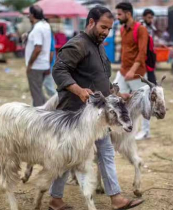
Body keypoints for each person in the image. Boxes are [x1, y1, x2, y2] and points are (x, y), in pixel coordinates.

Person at [50, 6, 144, 210]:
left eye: (109, 29)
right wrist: (78, 90)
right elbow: (58, 69)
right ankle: (55, 199)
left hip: (97, 115)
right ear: (91, 22)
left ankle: (116, 198)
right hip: (75, 114)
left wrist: (116, 93)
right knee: (69, 156)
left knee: (106, 152)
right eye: (103, 27)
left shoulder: (99, 46)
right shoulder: (78, 44)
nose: (105, 32)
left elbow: (98, 79)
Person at [115, 2, 151, 140]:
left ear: (128, 14)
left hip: (137, 74)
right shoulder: (123, 29)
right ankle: (124, 127)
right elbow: (125, 51)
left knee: (144, 103)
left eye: (119, 14)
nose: (117, 17)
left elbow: (142, 53)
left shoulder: (141, 29)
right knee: (116, 98)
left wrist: (132, 70)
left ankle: (146, 132)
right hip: (123, 71)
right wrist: (123, 69)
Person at [25, 5, 52, 106]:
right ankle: (45, 113)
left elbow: (38, 48)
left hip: (36, 66)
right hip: (44, 64)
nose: (28, 16)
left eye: (29, 14)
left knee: (36, 94)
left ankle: (39, 118)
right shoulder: (46, 25)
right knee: (39, 92)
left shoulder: (38, 28)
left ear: (32, 15)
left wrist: (30, 64)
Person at [140, 8, 157, 85]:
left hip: (149, 55)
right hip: (142, 55)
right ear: (144, 17)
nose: (151, 19)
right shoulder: (140, 27)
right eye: (149, 17)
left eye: (152, 18)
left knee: (151, 77)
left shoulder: (152, 27)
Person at [42, 32, 57, 97]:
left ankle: (58, 103)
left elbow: (51, 52)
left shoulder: (48, 35)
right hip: (45, 66)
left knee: (50, 88)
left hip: (48, 66)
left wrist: (48, 67)